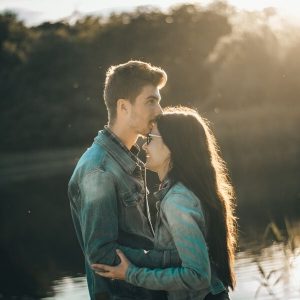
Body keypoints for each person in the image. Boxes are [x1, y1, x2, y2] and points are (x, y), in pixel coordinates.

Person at [92, 106, 238, 300]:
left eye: (150, 139)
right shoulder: (184, 192)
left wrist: (131, 274)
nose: (144, 146)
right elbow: (175, 258)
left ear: (173, 146)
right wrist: (130, 255)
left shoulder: (177, 202)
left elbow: (198, 276)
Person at [68, 61, 180, 300]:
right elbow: (101, 255)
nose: (160, 110)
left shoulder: (125, 159)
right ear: (123, 107)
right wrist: (169, 259)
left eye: (158, 101)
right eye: (151, 101)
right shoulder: (98, 171)